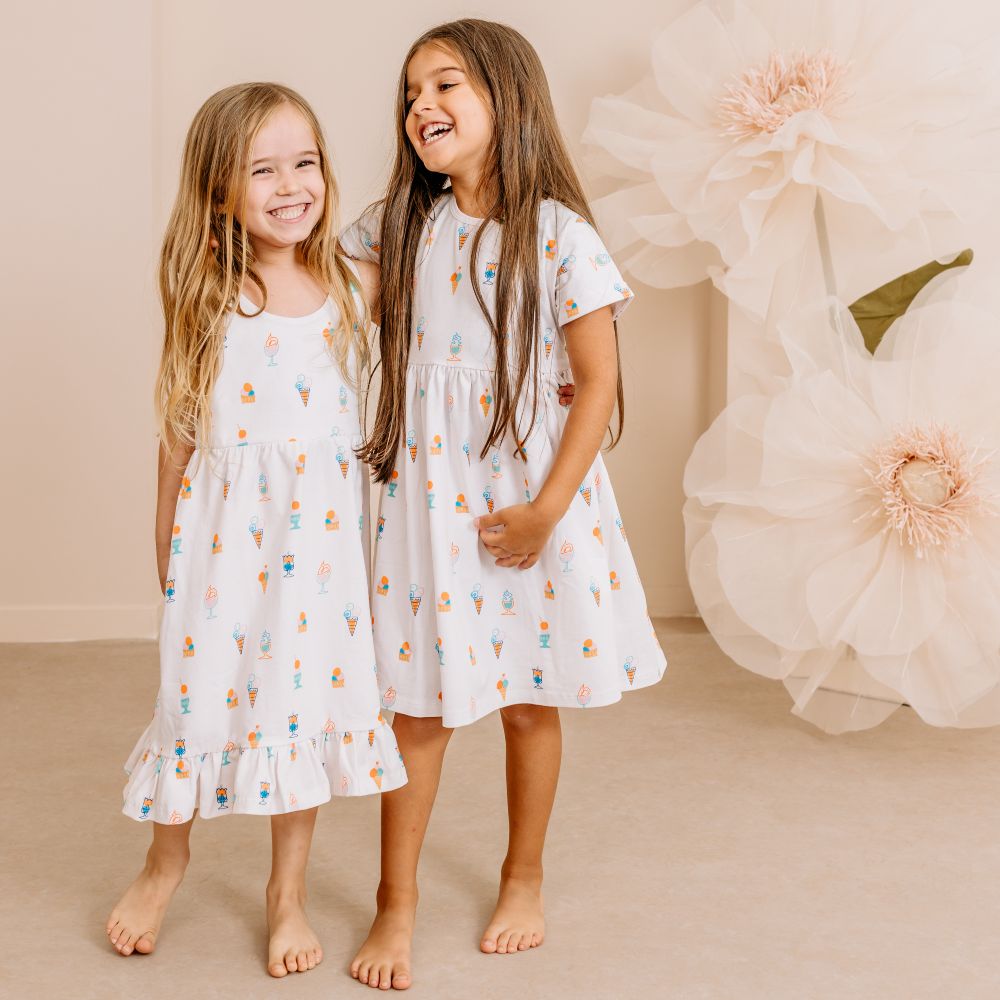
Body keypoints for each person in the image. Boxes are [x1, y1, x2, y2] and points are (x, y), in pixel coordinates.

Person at [341, 20, 667, 990]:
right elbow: (322, 293)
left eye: (445, 85)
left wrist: (546, 512)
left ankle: (522, 874)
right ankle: (392, 902)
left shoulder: (560, 235)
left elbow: (596, 385)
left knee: (530, 700)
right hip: (426, 502)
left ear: (507, 99)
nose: (420, 106)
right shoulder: (398, 226)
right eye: (410, 93)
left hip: (529, 502)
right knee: (417, 708)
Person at [106, 82, 406, 977]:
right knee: (193, 697)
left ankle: (288, 894)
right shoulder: (211, 293)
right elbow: (180, 431)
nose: (291, 184)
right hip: (223, 545)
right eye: (262, 168)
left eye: (305, 162)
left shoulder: (353, 285)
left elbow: (455, 297)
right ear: (219, 191)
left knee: (297, 704)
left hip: (315, 551)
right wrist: (164, 544)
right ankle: (166, 860)